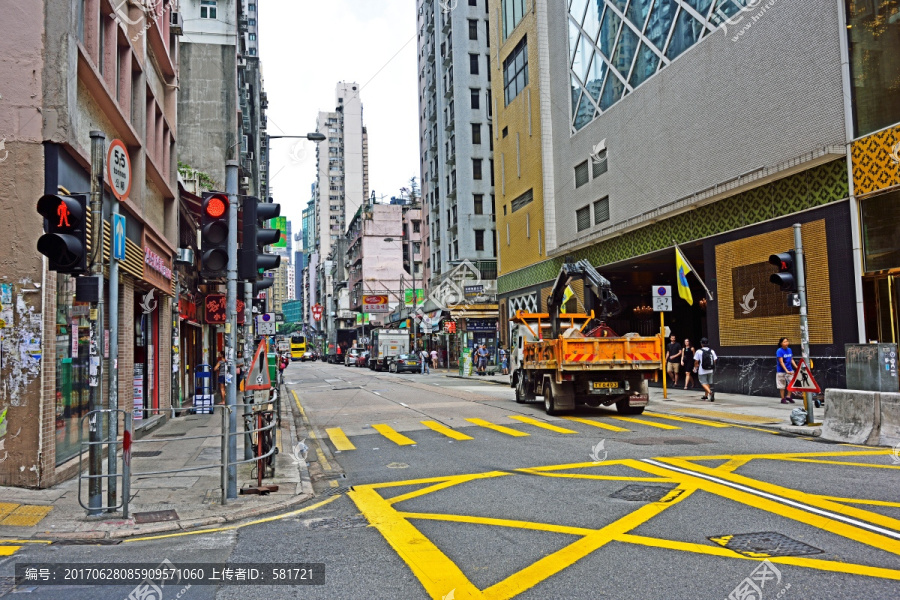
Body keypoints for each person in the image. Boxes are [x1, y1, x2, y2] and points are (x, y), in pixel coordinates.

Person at [776, 337, 798, 404]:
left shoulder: (789, 350)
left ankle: (788, 396)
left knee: (791, 383)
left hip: (790, 370)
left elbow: (791, 359)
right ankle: (783, 399)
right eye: (784, 342)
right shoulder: (779, 351)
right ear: (781, 343)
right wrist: (786, 370)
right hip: (781, 371)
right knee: (782, 385)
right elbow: (781, 362)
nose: (786, 343)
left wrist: (797, 367)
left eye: (787, 341)